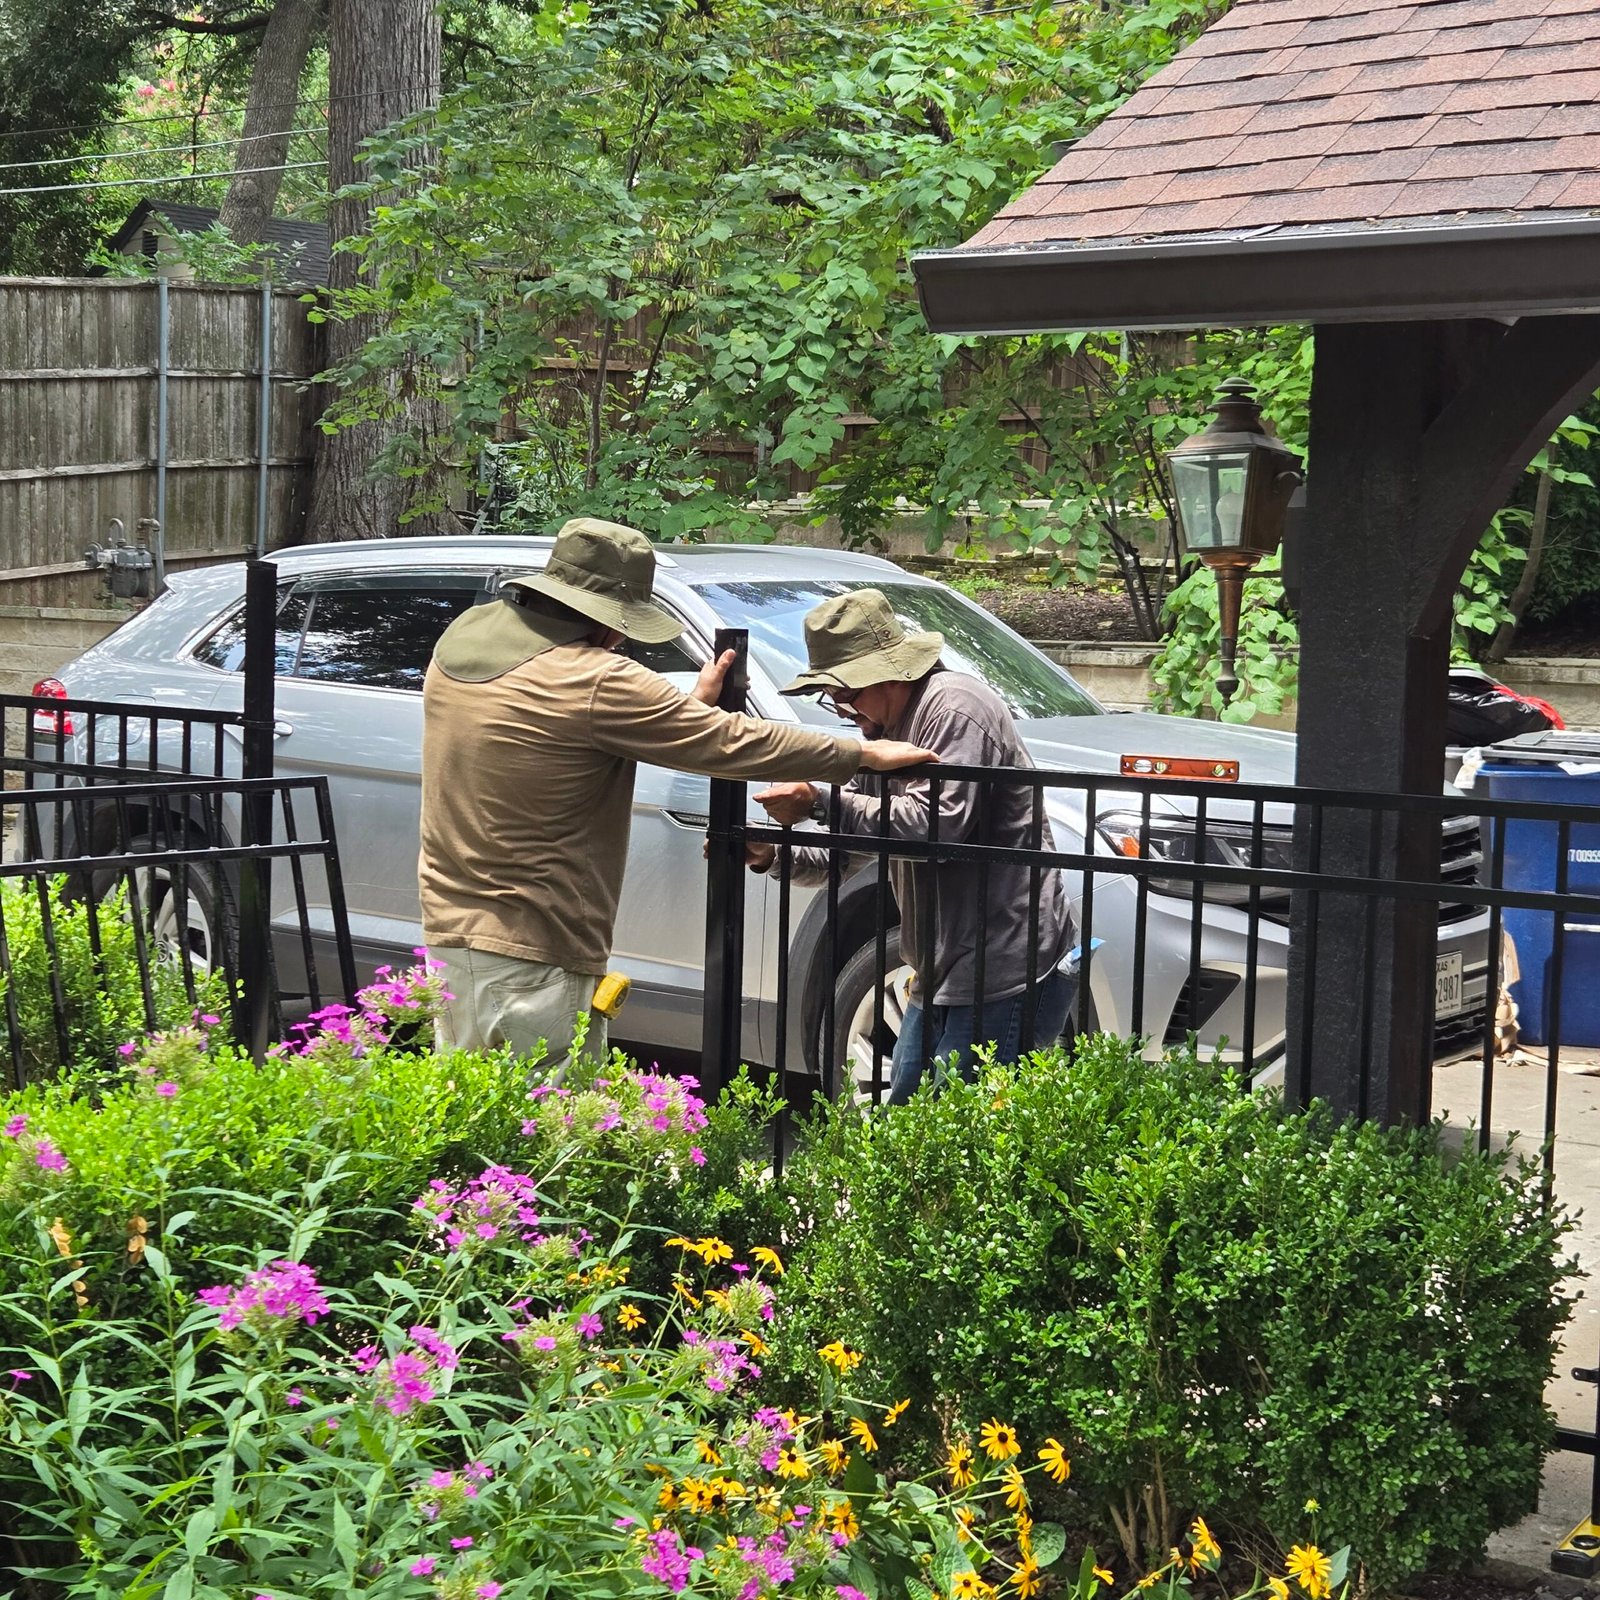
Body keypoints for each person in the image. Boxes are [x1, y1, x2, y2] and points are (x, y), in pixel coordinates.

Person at [418, 519, 936, 1072]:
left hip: (449, 933)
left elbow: (562, 728)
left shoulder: (465, 639)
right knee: (550, 1116)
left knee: (473, 1108)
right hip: (533, 946)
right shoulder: (596, 679)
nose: (621, 639)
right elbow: (729, 740)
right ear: (607, 623)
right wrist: (859, 755)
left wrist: (686, 708)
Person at [748, 588, 1072, 1103]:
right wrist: (772, 856)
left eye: (844, 693)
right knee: (910, 1122)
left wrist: (821, 802)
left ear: (887, 675)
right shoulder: (883, 733)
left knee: (967, 1134)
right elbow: (845, 851)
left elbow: (937, 829)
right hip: (940, 969)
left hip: (1003, 968)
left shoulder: (955, 708)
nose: (842, 709)